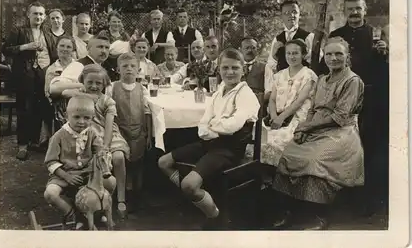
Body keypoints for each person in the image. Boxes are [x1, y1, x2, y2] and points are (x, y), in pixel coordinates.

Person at [158, 48, 260, 230]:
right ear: (219, 69)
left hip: (229, 150)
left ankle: (215, 216)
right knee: (163, 162)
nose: (230, 72)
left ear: (243, 70)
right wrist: (213, 127)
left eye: (235, 68)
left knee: (189, 185)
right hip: (209, 144)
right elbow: (203, 124)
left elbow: (232, 127)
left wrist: (213, 127)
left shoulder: (246, 95)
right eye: (225, 67)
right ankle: (195, 196)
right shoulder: (219, 91)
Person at [270, 37, 365, 230]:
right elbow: (312, 109)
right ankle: (291, 210)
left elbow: (339, 116)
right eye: (329, 54)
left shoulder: (353, 81)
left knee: (315, 160)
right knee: (289, 153)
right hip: (316, 128)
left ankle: (320, 216)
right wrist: (304, 128)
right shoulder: (322, 79)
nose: (333, 58)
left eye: (339, 54)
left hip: (341, 132)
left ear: (347, 56)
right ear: (324, 57)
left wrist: (308, 128)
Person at [324, 0, 389, 215]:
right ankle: (343, 198)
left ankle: (369, 200)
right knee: (343, 147)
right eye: (350, 9)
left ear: (365, 10)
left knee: (368, 148)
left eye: (358, 9)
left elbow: (387, 69)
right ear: (344, 10)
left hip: (370, 100)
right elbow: (327, 67)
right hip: (343, 98)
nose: (354, 13)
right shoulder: (336, 35)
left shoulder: (377, 35)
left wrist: (385, 53)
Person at [43, 95, 117, 229]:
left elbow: (99, 150)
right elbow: (50, 161)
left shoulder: (92, 133)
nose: (81, 122)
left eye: (86, 118)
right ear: (67, 116)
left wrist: (104, 157)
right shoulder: (58, 136)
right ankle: (74, 214)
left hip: (87, 174)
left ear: (92, 118)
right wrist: (66, 176)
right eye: (76, 117)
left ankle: (98, 210)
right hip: (64, 174)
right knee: (50, 193)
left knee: (111, 182)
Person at [2, 2, 55, 160]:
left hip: (42, 75)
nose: (38, 17)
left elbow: (53, 54)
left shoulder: (48, 33)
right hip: (25, 75)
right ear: (28, 15)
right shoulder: (19, 31)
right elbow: (5, 49)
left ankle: (34, 141)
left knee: (40, 109)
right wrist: (26, 46)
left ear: (44, 17)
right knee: (24, 109)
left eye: (40, 14)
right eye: (35, 14)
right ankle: (22, 145)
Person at [78, 64, 131, 220]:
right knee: (91, 159)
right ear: (83, 81)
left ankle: (121, 198)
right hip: (88, 136)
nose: (94, 86)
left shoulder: (108, 101)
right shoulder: (79, 97)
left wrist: (106, 147)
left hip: (109, 135)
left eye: (98, 83)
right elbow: (65, 91)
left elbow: (109, 126)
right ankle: (95, 198)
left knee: (118, 157)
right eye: (90, 82)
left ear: (104, 84)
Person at [260, 39, 317, 181]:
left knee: (278, 141)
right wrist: (274, 116)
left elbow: (299, 101)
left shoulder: (308, 75)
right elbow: (272, 99)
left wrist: (281, 118)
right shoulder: (279, 75)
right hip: (276, 116)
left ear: (303, 55)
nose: (292, 56)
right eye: (289, 53)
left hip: (296, 118)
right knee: (258, 138)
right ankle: (262, 176)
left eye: (296, 53)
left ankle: (281, 178)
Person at [106, 52, 153, 213]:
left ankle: (137, 194)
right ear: (118, 69)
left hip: (138, 131)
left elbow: (147, 112)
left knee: (138, 162)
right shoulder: (112, 87)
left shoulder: (143, 89)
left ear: (138, 69)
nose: (129, 69)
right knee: (121, 160)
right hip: (120, 131)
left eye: (133, 66)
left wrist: (147, 133)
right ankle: (122, 193)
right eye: (125, 66)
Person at [45, 36, 85, 130]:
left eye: (68, 47)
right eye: (62, 46)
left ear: (73, 50)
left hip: (80, 104)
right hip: (59, 108)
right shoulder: (52, 69)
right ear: (57, 48)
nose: (65, 49)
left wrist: (62, 87)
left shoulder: (79, 66)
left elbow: (85, 88)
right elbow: (50, 91)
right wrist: (78, 85)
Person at [267, 0, 316, 73]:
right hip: (283, 79)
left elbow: (318, 62)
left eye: (294, 12)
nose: (291, 15)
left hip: (302, 79)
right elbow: (271, 66)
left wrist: (306, 52)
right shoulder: (277, 39)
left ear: (299, 14)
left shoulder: (309, 37)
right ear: (282, 16)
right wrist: (274, 57)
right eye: (286, 13)